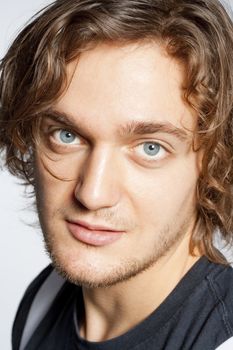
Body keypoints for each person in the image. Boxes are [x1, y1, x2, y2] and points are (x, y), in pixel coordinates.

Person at [1, 0, 233, 349]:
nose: (92, 194)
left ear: (214, 163)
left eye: (150, 147)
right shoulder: (43, 302)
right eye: (67, 135)